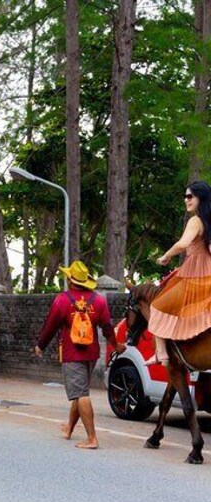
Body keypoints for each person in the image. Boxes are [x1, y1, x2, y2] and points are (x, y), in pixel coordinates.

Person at [35, 261, 125, 450]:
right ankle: (69, 428)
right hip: (91, 354)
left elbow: (50, 326)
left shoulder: (62, 300)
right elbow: (108, 327)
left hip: (72, 353)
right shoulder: (99, 301)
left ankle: (92, 438)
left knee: (81, 394)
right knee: (80, 391)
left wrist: (40, 345)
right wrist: (116, 345)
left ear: (70, 280)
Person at [146, 180, 211, 366]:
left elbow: (183, 244)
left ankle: (161, 353)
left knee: (157, 306)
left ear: (201, 197)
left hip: (194, 277)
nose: (186, 200)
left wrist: (166, 256)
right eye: (185, 196)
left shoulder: (196, 220)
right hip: (208, 277)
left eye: (190, 196)